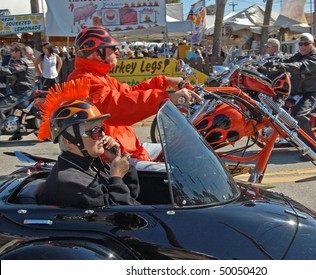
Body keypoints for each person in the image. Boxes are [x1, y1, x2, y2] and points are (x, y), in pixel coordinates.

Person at [67, 26, 199, 161]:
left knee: (181, 148)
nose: (117, 52)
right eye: (112, 48)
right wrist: (165, 98)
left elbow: (129, 92)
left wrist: (164, 81)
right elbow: (117, 106)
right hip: (114, 158)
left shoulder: (99, 77)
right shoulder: (83, 80)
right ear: (97, 52)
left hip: (128, 148)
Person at [37, 79, 140, 208]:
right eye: (95, 131)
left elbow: (132, 197)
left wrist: (116, 160)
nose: (102, 135)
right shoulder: (69, 181)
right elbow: (120, 215)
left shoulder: (89, 164)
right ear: (70, 141)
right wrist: (116, 176)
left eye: (102, 129)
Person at [267, 33, 316, 160]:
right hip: (299, 91)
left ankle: (314, 151)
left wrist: (283, 66)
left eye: (306, 44)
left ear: (313, 44)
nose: (303, 46)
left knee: (299, 115)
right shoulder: (299, 55)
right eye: (300, 44)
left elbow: (301, 66)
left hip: (313, 92)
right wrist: (270, 61)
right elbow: (288, 60)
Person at [0, 42, 36, 140]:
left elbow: (9, 70)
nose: (10, 52)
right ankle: (18, 132)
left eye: (12, 50)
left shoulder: (22, 62)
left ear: (19, 52)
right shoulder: (23, 61)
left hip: (22, 92)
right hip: (21, 90)